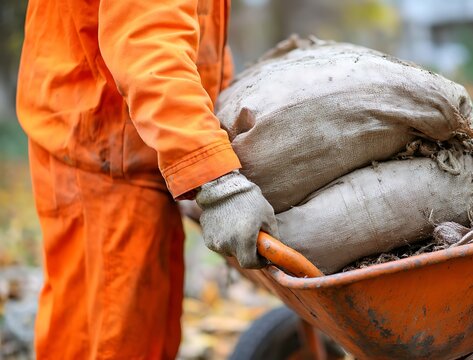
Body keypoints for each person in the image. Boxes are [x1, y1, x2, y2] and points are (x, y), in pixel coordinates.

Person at [16, 0, 278, 358]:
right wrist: (215, 175)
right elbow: (150, 47)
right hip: (107, 157)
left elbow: (198, 42)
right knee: (111, 339)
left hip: (126, 146)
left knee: (123, 328)